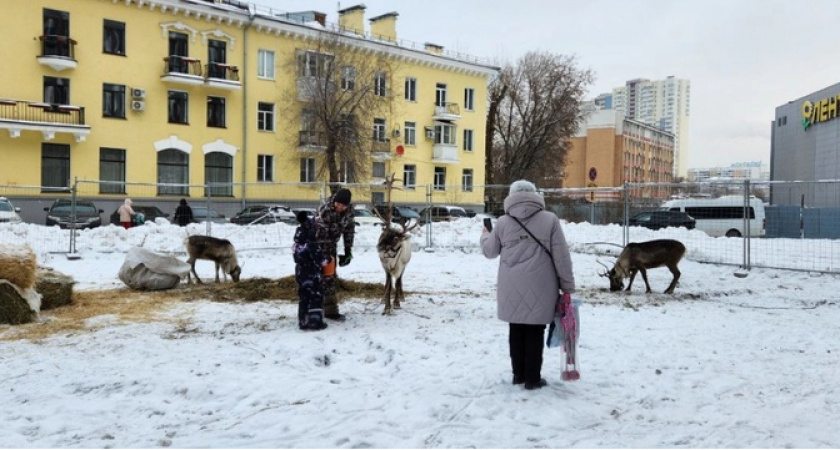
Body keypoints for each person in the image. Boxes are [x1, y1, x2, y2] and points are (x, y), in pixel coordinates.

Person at [480, 180, 576, 390]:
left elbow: (490, 252)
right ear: (535, 195)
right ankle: (533, 378)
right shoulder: (550, 220)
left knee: (515, 328)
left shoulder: (504, 222)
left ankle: (518, 375)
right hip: (542, 283)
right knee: (535, 329)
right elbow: (561, 256)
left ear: (511, 196)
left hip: (510, 283)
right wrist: (567, 286)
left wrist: (485, 235)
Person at [314, 188, 355, 321]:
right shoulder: (325, 210)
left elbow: (349, 230)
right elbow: (320, 235)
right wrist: (327, 257)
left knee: (330, 277)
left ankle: (328, 310)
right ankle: (314, 309)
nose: (339, 207)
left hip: (331, 246)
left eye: (343, 205)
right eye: (338, 204)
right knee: (321, 278)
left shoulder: (348, 213)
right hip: (317, 246)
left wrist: (348, 250)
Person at [293, 211, 330, 331]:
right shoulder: (312, 243)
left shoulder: (297, 243)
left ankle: (303, 321)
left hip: (300, 273)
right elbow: (321, 261)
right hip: (313, 274)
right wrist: (328, 259)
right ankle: (315, 321)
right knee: (316, 296)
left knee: (304, 297)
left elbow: (296, 257)